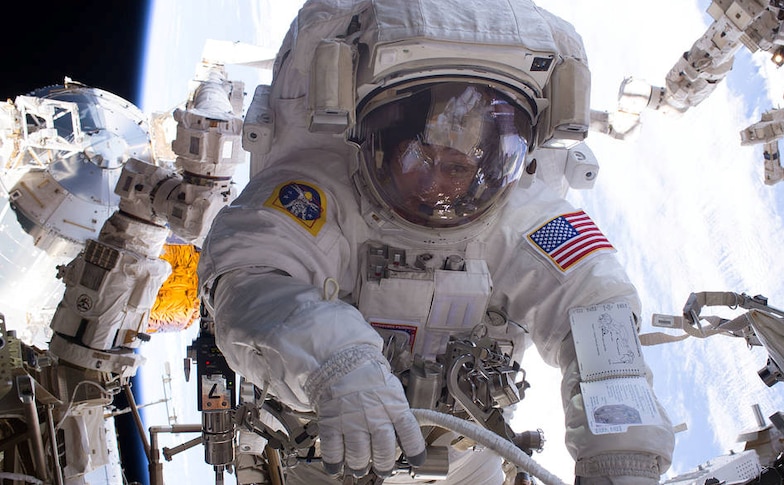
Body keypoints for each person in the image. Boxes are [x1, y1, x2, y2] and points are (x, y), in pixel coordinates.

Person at [198, 0, 675, 483]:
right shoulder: (319, 193)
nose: (434, 185)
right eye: (418, 156)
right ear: (381, 137)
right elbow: (249, 277)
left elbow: (597, 315)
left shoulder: (527, 219)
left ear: (494, 162)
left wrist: (622, 457)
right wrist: (336, 365)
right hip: (325, 451)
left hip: (466, 459)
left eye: (457, 168)